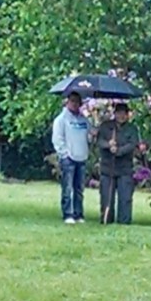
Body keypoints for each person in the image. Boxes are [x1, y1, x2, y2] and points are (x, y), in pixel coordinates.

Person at [97, 102, 140, 224]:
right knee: (106, 197)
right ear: (114, 114)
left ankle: (124, 222)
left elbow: (132, 144)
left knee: (125, 198)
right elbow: (99, 141)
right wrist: (108, 145)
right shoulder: (106, 126)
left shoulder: (132, 129)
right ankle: (106, 219)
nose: (121, 116)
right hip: (108, 168)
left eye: (124, 114)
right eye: (119, 113)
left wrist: (118, 151)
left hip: (125, 169)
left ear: (127, 115)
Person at [51, 91, 90, 224]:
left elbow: (89, 135)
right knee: (67, 188)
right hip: (69, 158)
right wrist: (64, 154)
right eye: (72, 101)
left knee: (79, 189)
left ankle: (78, 214)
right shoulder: (61, 120)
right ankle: (68, 213)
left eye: (77, 102)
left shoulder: (84, 120)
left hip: (82, 157)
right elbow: (57, 139)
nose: (75, 104)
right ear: (67, 102)